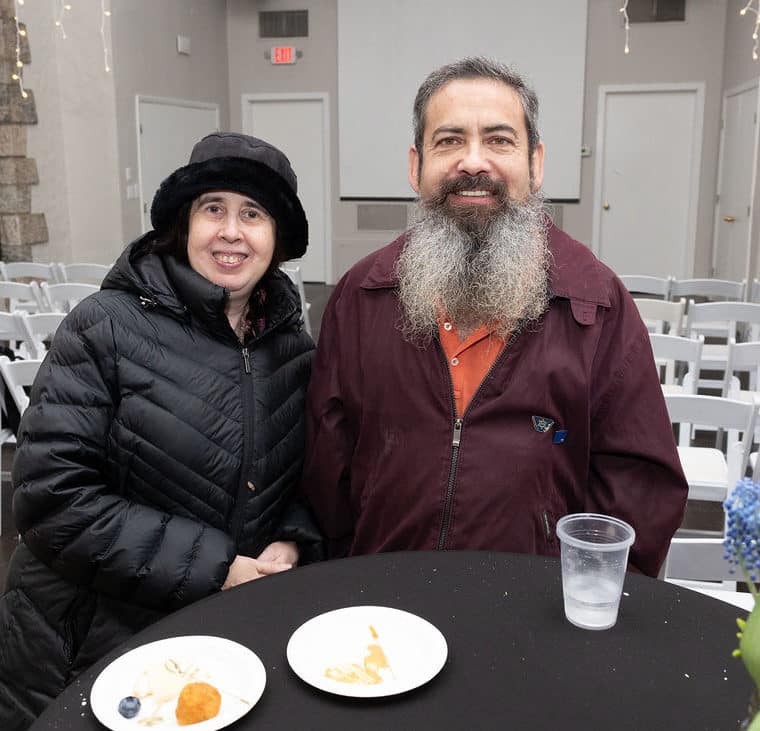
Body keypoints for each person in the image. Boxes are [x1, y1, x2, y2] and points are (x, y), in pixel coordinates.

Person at [301, 57, 687, 576]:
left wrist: (584, 598)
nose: (473, 162)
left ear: (536, 163)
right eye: (449, 141)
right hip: (384, 600)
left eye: (499, 140)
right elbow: (328, 467)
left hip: (535, 612)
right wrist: (349, 575)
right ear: (416, 166)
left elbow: (638, 490)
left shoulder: (597, 306)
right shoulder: (361, 295)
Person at [0, 132, 321, 730]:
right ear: (184, 223)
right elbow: (51, 500)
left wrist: (292, 536)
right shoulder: (104, 327)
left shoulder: (293, 350)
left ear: (276, 239)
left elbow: (299, 474)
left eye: (253, 214)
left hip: (219, 646)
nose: (231, 232)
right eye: (213, 209)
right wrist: (216, 568)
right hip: (90, 646)